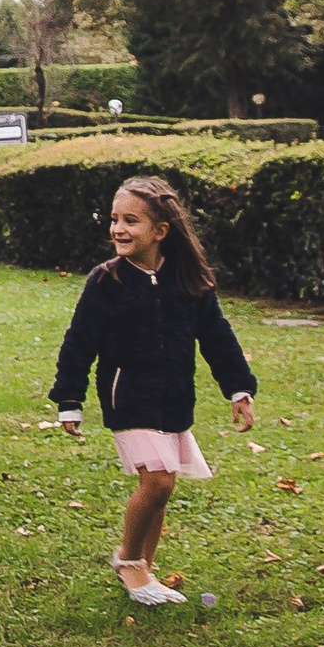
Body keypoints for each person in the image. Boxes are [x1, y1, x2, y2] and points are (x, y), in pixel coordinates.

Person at [50, 176, 257, 605]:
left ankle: (145, 566)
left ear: (161, 231)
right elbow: (79, 342)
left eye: (131, 221)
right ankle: (129, 562)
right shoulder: (106, 281)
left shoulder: (188, 280)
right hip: (128, 398)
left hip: (174, 399)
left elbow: (217, 336)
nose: (118, 229)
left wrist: (238, 387)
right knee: (158, 481)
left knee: (164, 485)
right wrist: (69, 399)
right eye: (114, 219)